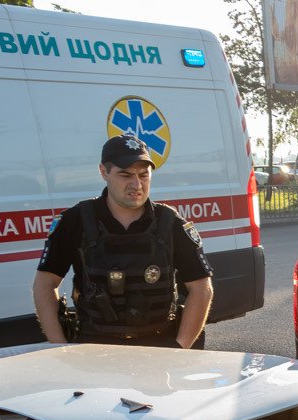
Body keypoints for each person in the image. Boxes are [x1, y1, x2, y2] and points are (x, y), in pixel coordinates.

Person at [33, 134, 213, 348]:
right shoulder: (75, 221)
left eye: (144, 175)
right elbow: (44, 284)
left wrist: (179, 347)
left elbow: (201, 288)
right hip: (94, 349)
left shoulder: (170, 223)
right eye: (125, 175)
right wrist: (60, 347)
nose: (136, 184)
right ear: (103, 172)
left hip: (159, 348)